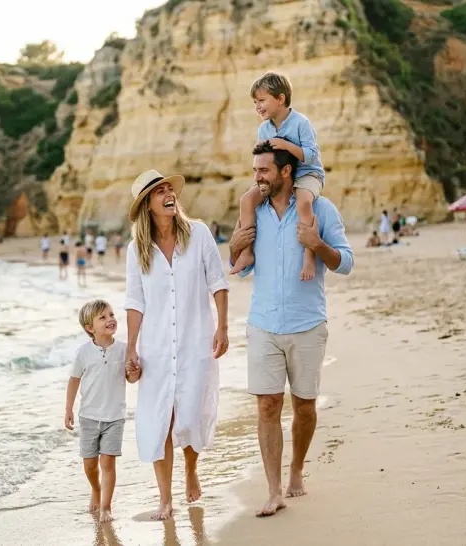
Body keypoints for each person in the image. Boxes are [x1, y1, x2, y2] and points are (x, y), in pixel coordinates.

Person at [229, 142, 353, 517]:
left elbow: (346, 262)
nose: (257, 178)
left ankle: (297, 469)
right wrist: (233, 248)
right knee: (267, 405)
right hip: (263, 324)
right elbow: (241, 267)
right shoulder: (254, 213)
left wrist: (317, 244)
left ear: (286, 172)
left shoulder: (321, 210)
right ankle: (274, 490)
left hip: (307, 324)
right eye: (255, 170)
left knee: (304, 406)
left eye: (264, 171)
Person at [124, 169, 230, 521]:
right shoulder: (136, 250)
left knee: (191, 413)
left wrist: (222, 327)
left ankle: (191, 469)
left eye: (170, 189)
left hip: (195, 342)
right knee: (161, 420)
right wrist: (131, 348)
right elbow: (135, 302)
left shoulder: (198, 234)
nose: (169, 194)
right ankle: (165, 498)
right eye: (160, 191)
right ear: (147, 205)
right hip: (155, 348)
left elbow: (218, 282)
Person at [231, 71, 326, 283]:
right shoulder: (264, 129)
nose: (257, 106)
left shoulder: (301, 123)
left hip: (307, 174)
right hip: (278, 178)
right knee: (246, 200)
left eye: (261, 100)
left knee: (303, 203)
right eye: (255, 102)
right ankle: (246, 252)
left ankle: (309, 256)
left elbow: (311, 156)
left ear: (280, 99)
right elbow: (264, 159)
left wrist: (286, 145)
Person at [64, 299, 139, 523]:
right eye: (103, 317)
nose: (110, 320)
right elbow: (74, 380)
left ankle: (106, 507)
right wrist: (68, 409)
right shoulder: (83, 352)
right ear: (90, 328)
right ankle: (96, 489)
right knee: (89, 465)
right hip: (88, 417)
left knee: (107, 463)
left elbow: (132, 379)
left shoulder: (124, 349)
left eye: (111, 314)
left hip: (114, 417)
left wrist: (134, 370)